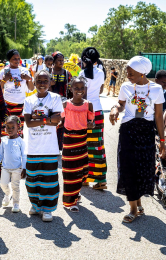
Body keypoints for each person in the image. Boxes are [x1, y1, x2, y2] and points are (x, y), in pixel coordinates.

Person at [110, 56, 165, 223]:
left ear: (142, 73)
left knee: (143, 169)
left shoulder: (156, 89)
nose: (127, 75)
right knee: (127, 168)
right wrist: (114, 109)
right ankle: (133, 208)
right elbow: (120, 104)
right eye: (127, 71)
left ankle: (138, 202)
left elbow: (159, 116)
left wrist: (162, 140)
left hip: (146, 132)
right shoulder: (126, 86)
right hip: (128, 130)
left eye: (130, 72)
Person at [23, 70, 63, 222]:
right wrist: (47, 119)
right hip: (33, 147)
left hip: (50, 147)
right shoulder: (29, 100)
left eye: (45, 81)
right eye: (39, 81)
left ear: (50, 82)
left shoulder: (55, 98)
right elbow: (28, 123)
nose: (42, 84)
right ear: (34, 81)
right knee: (32, 179)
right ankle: (35, 205)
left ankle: (47, 209)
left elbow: (57, 120)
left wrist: (37, 118)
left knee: (49, 180)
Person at [61, 76, 95, 212]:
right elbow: (60, 119)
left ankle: (76, 193)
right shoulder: (66, 105)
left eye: (82, 88)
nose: (79, 90)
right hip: (69, 141)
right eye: (76, 88)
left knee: (81, 170)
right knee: (70, 171)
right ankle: (70, 201)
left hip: (82, 140)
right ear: (71, 89)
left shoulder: (88, 104)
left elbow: (92, 122)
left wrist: (90, 124)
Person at [79, 47, 107, 189]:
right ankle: (101, 179)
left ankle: (86, 178)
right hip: (98, 111)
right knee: (98, 144)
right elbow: (100, 90)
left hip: (85, 112)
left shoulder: (82, 73)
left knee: (84, 145)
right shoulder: (101, 72)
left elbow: (81, 95)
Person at [0, 49, 34, 134]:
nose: (17, 61)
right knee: (6, 129)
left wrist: (29, 79)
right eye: (14, 59)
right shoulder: (4, 71)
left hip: (21, 105)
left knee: (19, 129)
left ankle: (18, 146)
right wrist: (4, 80)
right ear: (9, 60)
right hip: (7, 104)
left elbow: (31, 89)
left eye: (18, 58)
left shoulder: (24, 71)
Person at [0, 115, 27, 213]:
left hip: (17, 168)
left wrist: (24, 168)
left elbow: (24, 155)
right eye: (7, 127)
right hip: (5, 168)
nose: (10, 129)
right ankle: (7, 194)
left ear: (18, 127)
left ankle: (16, 203)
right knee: (3, 184)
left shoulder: (20, 141)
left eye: (12, 127)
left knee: (15, 186)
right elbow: (0, 155)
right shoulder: (4, 140)